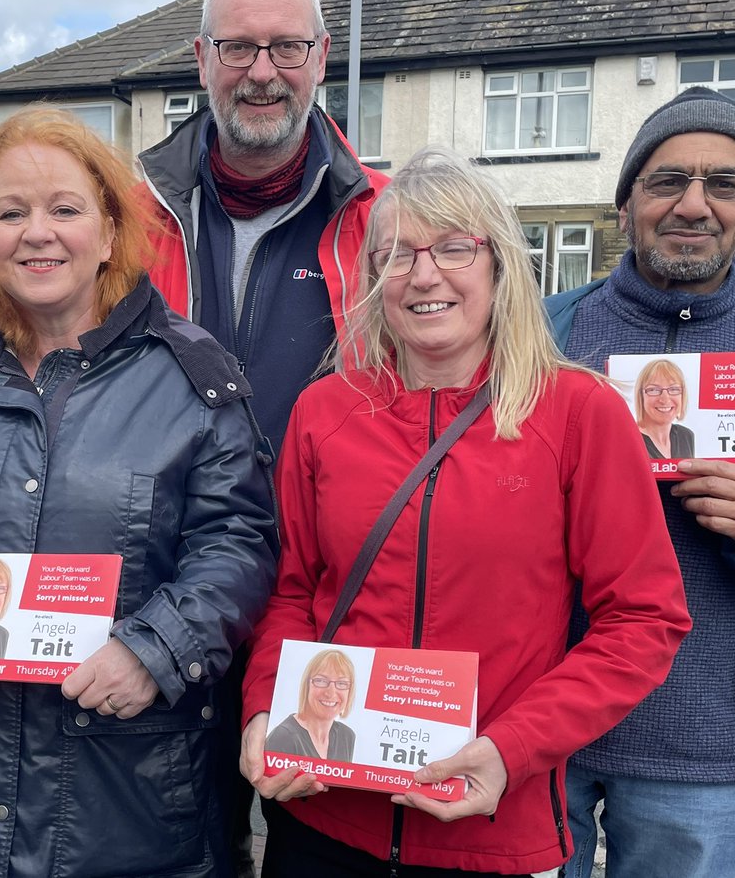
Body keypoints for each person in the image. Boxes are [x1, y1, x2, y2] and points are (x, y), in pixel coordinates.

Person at [0, 108, 277, 878]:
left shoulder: (195, 382)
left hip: (124, 806)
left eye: (65, 209)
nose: (37, 232)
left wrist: (157, 648)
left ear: (109, 232)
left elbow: (238, 544)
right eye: (10, 213)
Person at [239, 148, 692, 877]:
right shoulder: (324, 411)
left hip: (488, 826)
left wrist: (511, 750)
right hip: (323, 815)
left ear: (499, 265)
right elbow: (292, 590)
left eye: (454, 247)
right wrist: (265, 709)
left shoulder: (579, 415)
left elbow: (643, 621)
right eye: (396, 254)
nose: (424, 275)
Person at [547, 87, 735, 877]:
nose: (693, 205)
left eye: (724, 184)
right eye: (665, 181)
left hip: (702, 741)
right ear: (624, 207)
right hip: (540, 725)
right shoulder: (545, 330)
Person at [140, 0, 389, 457]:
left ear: (320, 58)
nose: (260, 72)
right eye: (236, 47)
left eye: (287, 46)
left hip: (326, 527)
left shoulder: (391, 223)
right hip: (169, 529)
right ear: (201, 59)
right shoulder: (125, 223)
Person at [265, 649, 356, 762]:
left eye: (342, 683)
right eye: (321, 681)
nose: (331, 693)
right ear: (307, 685)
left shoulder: (347, 736)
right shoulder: (283, 737)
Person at [633, 359, 695, 459]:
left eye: (674, 389)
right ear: (640, 396)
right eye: (654, 390)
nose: (665, 400)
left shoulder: (686, 436)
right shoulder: (630, 439)